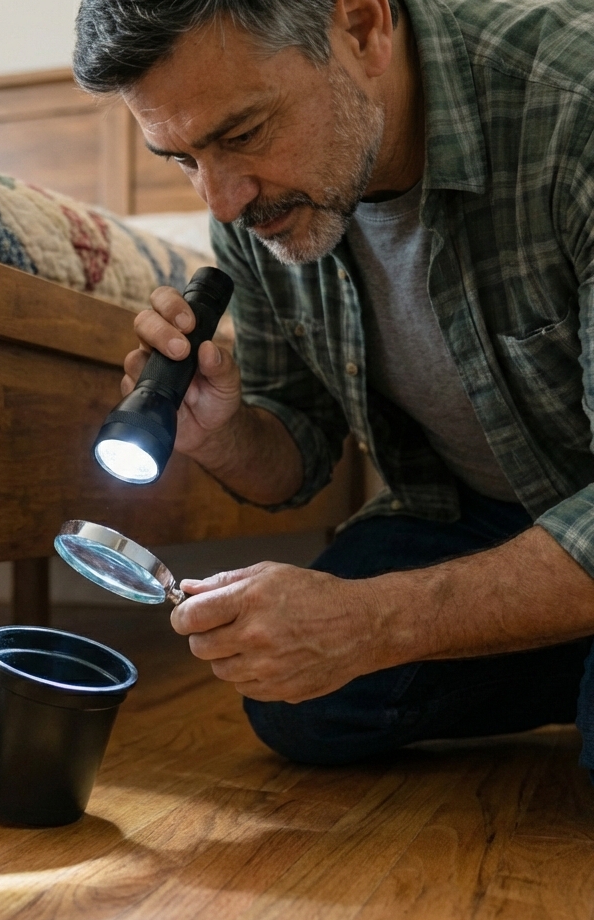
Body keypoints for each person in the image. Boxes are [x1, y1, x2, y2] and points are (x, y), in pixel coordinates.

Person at [72, 0, 594, 771]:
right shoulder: (250, 209)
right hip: (475, 508)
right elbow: (300, 448)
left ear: (361, 27)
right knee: (302, 699)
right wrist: (224, 434)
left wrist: (376, 622)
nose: (221, 201)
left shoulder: (573, 107)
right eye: (180, 159)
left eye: (243, 134)